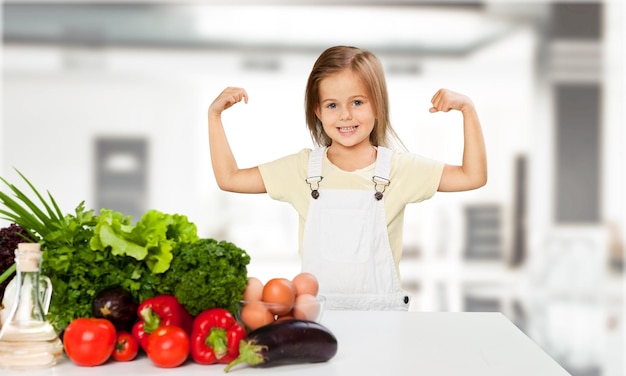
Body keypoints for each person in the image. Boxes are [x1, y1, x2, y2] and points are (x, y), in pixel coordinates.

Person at [208, 45, 487, 311]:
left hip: (384, 323)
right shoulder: (301, 169)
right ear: (317, 111)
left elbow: (472, 176)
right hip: (318, 319)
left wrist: (468, 110)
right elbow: (230, 178)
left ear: (377, 106)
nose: (345, 115)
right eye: (332, 105)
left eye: (357, 102)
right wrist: (214, 116)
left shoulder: (399, 169)